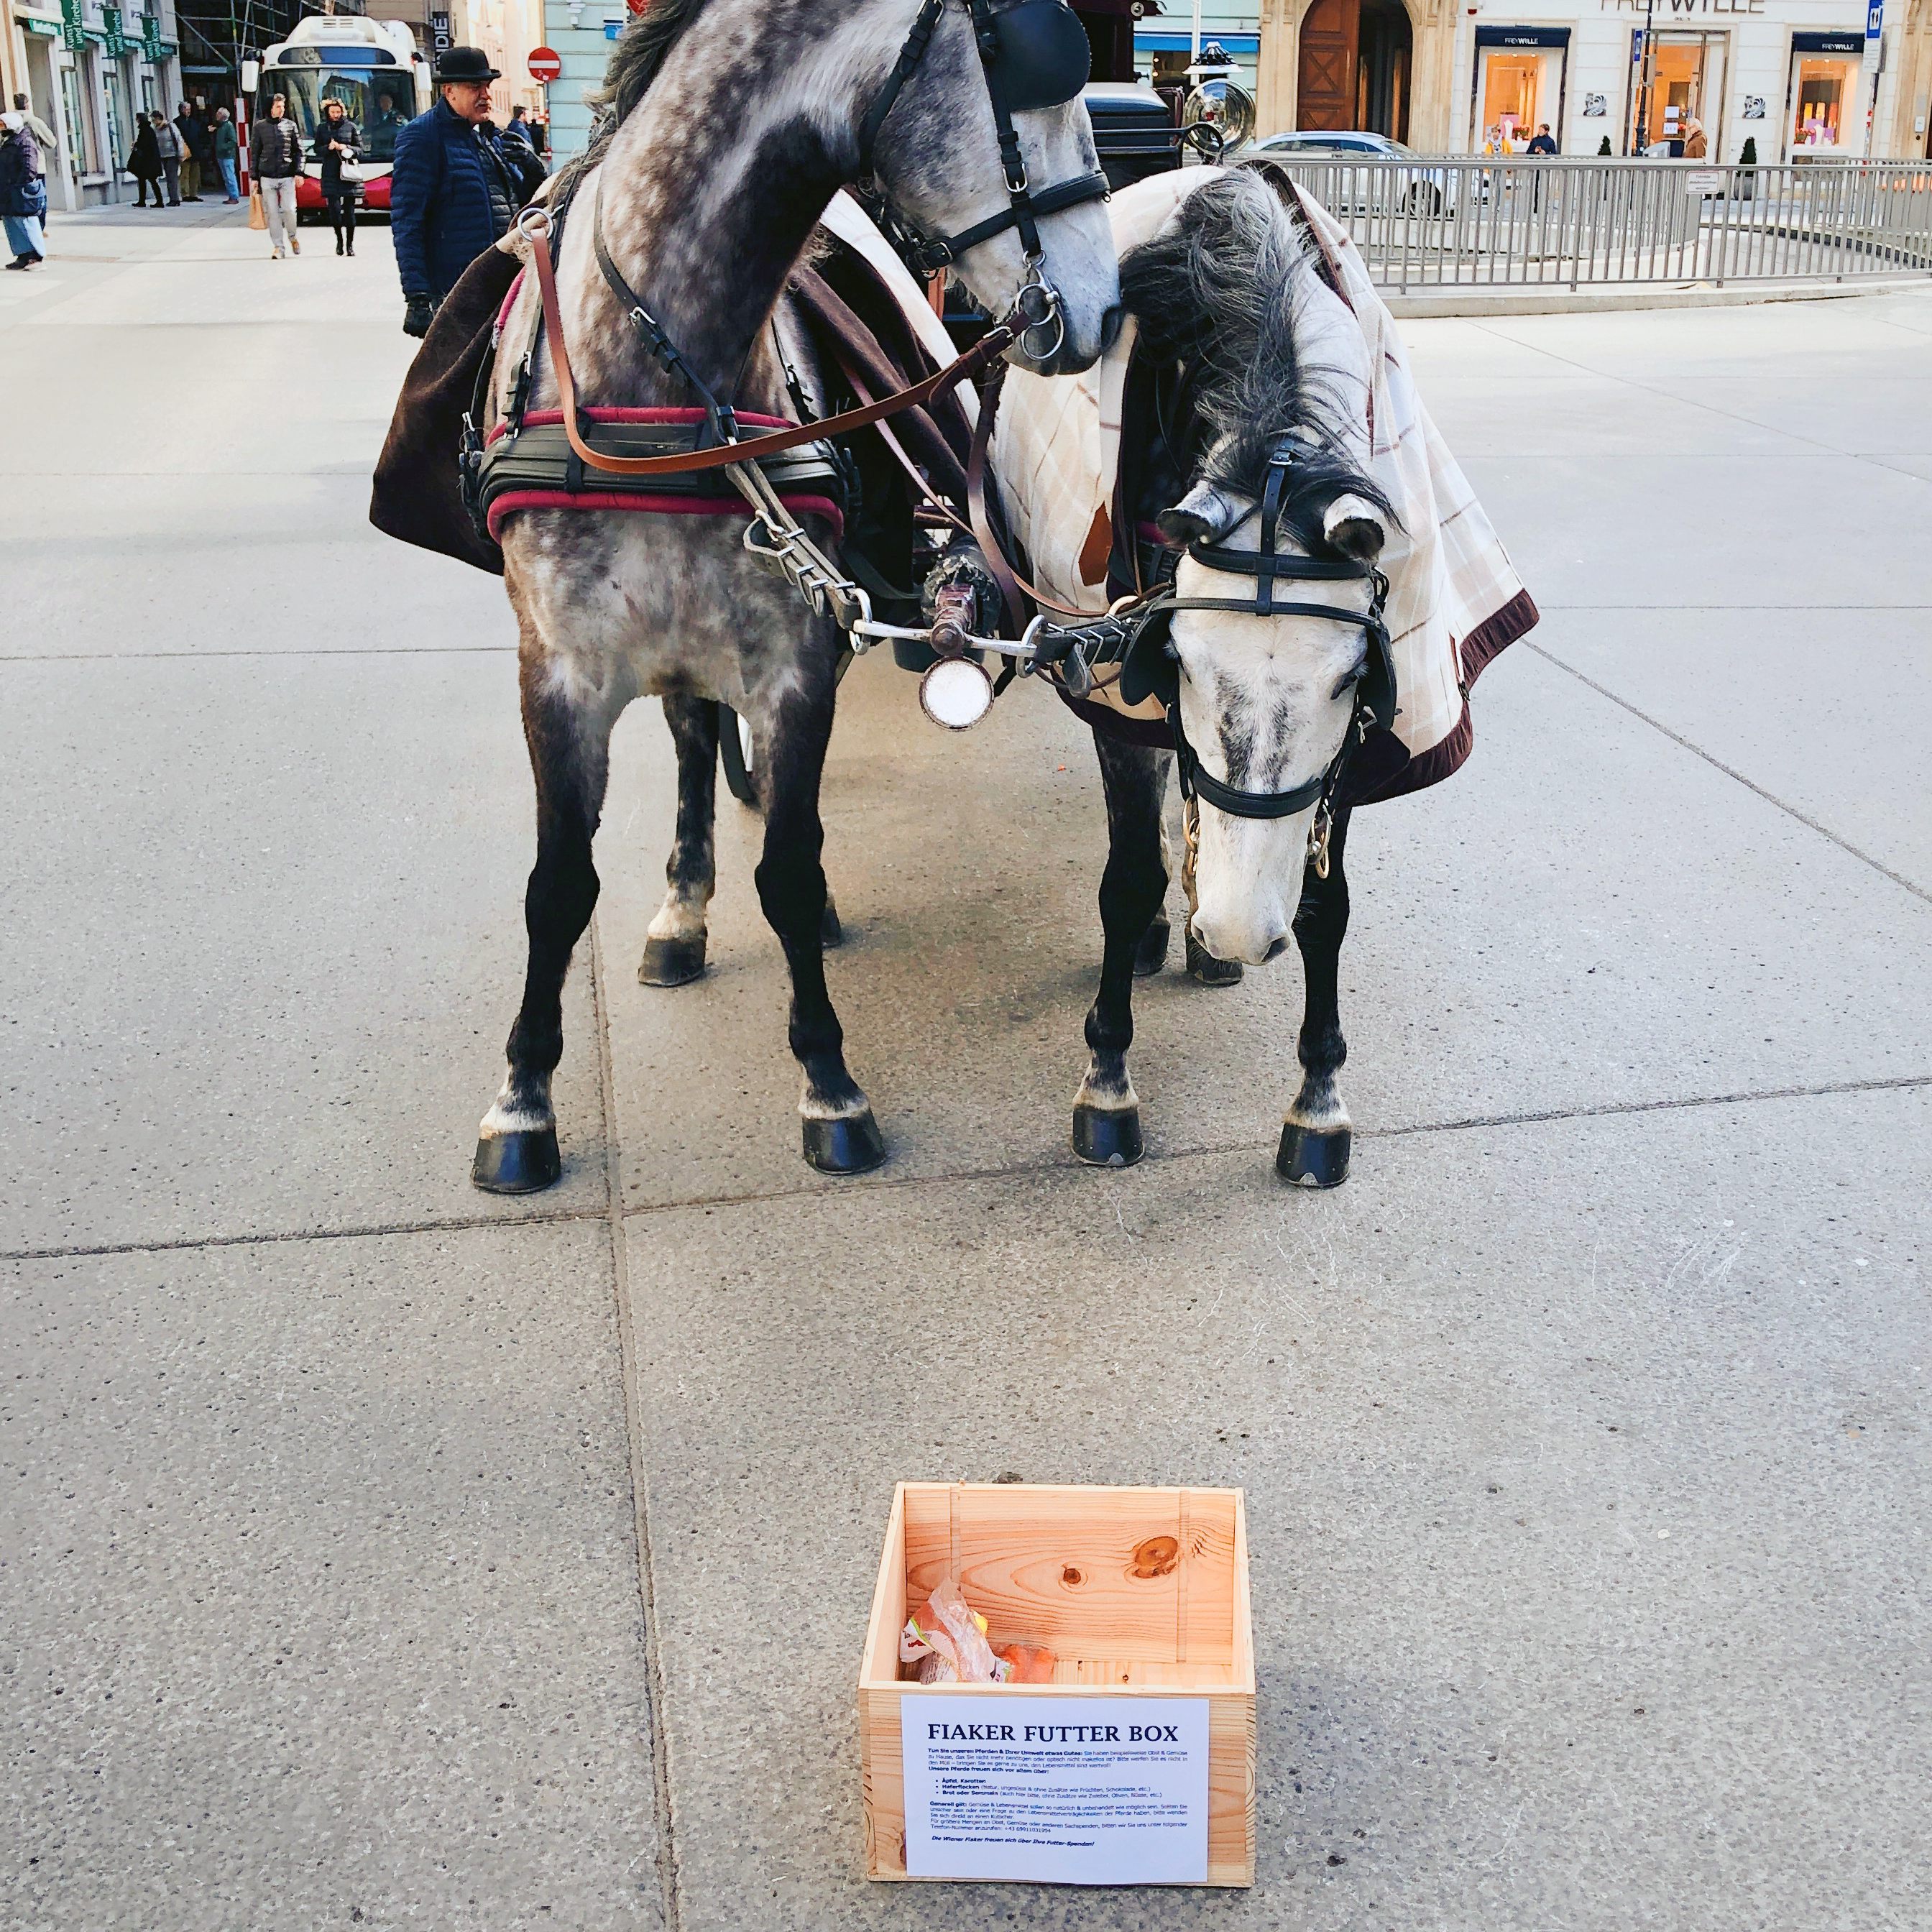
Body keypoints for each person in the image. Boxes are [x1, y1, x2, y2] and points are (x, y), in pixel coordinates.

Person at [390, 46, 530, 336]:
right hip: (457, 289)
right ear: (449, 91)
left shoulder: (489, 137)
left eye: (487, 86)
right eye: (475, 87)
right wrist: (417, 297)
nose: (486, 95)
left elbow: (520, 203)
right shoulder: (423, 137)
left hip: (503, 280)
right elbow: (407, 221)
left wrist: (531, 164)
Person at [249, 91, 304, 259]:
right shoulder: (259, 127)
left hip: (287, 175)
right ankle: (278, 247)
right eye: (278, 106)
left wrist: (299, 172)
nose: (281, 110)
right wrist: (254, 177)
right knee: (272, 213)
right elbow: (255, 153)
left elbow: (299, 150)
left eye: (283, 106)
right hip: (267, 176)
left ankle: (293, 237)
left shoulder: (290, 125)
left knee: (289, 209)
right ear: (270, 108)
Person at [312, 96, 362, 256]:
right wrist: (328, 147)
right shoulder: (322, 128)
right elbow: (316, 149)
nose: (335, 114)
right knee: (334, 211)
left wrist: (345, 147)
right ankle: (339, 241)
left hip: (348, 173)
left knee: (350, 212)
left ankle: (350, 244)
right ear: (327, 112)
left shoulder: (351, 127)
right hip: (330, 173)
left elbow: (361, 149)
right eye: (333, 112)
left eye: (338, 112)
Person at [1, 109, 46, 269]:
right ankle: (23, 256)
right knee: (12, 224)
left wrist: (19, 185)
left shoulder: (25, 141)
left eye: (3, 125)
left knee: (27, 222)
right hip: (7, 191)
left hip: (20, 191)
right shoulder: (8, 141)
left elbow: (30, 168)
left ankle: (36, 257)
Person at [127, 114, 162, 206]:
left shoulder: (144, 130)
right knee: (150, 180)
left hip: (146, 161)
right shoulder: (149, 129)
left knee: (145, 180)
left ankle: (145, 201)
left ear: (139, 120)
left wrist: (136, 146)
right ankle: (156, 201)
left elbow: (143, 144)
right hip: (150, 160)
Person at [150, 111, 183, 206]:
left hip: (172, 155)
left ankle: (175, 199)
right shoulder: (155, 129)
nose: (153, 121)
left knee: (172, 177)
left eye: (153, 119)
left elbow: (178, 139)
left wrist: (180, 153)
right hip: (162, 156)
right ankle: (172, 198)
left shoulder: (171, 126)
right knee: (168, 177)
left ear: (158, 118)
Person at [173, 101, 203, 200]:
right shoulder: (177, 122)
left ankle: (193, 194)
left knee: (195, 174)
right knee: (185, 174)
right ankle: (185, 194)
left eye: (189, 109)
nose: (188, 111)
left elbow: (199, 134)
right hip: (185, 151)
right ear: (181, 110)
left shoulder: (194, 122)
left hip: (195, 151)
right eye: (186, 109)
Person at [211, 106, 240, 203]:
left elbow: (233, 141)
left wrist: (222, 147)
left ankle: (234, 196)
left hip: (227, 156)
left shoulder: (228, 126)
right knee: (226, 177)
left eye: (218, 114)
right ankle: (231, 195)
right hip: (221, 155)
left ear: (223, 116)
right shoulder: (221, 126)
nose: (217, 115)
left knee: (230, 176)